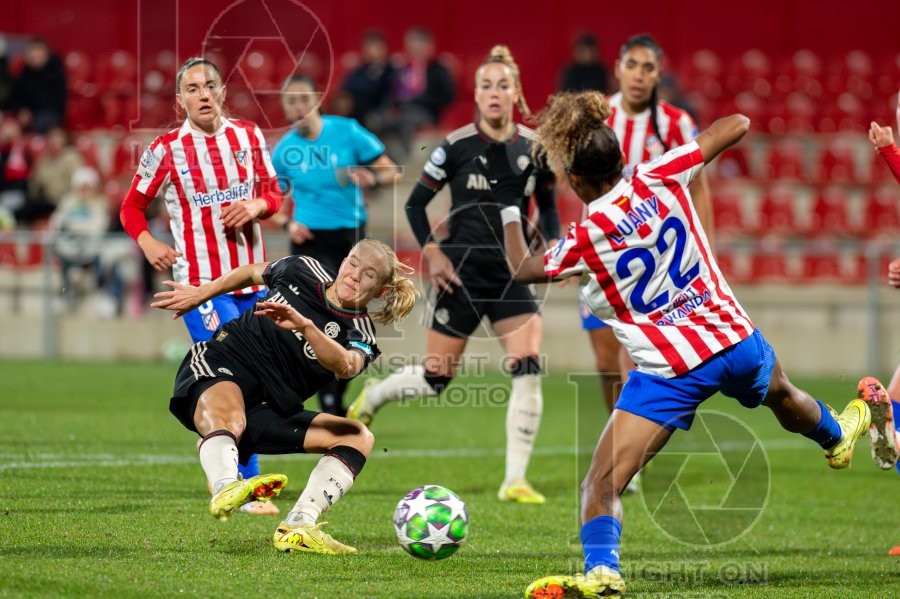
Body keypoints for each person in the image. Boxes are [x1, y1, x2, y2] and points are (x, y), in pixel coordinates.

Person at [477, 91, 873, 597]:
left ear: (574, 180)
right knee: (781, 392)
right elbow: (738, 122)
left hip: (672, 368)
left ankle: (602, 572)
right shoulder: (660, 174)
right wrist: (681, 154)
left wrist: (512, 207)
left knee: (600, 484)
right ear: (622, 159)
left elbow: (522, 269)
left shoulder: (585, 236)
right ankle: (836, 436)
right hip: (733, 338)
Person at [347, 45, 559, 504]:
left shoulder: (534, 148)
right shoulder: (456, 146)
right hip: (458, 273)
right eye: (486, 85)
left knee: (529, 366)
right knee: (437, 379)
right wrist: (433, 254)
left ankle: (515, 479)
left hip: (510, 276)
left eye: (503, 85)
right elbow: (415, 204)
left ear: (515, 92)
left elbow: (551, 206)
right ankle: (376, 396)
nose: (494, 93)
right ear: (477, 95)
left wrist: (554, 247)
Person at [150, 239, 418, 554]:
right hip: (224, 362)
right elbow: (251, 273)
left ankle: (299, 525)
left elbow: (345, 365)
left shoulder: (361, 334)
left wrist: (306, 327)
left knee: (357, 436)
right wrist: (201, 293)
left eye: (369, 274)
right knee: (230, 416)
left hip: (271, 408)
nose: (355, 275)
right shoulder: (302, 269)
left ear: (381, 291)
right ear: (344, 259)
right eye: (353, 262)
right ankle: (225, 486)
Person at [120, 57, 283, 515]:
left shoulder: (248, 137)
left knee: (260, 382)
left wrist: (255, 206)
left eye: (210, 85)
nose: (203, 94)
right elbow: (131, 207)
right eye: (193, 89)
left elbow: (273, 193)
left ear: (223, 92)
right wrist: (148, 240)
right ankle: (243, 484)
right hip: (200, 287)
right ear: (180, 101)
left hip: (252, 280)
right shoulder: (166, 149)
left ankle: (223, 461)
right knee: (230, 376)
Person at [580, 34, 714, 451]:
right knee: (605, 362)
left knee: (632, 360)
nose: (639, 75)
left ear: (659, 73)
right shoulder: (595, 116)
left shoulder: (676, 123)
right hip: (602, 252)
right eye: (632, 65)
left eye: (648, 68)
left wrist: (704, 251)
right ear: (618, 67)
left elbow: (699, 187)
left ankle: (626, 453)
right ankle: (618, 438)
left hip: (650, 260)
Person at [270, 74, 400, 416]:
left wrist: (371, 176)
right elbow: (270, 201)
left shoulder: (347, 131)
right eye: (289, 101)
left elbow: (392, 172)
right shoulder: (284, 151)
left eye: (302, 98)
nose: (296, 106)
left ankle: (335, 393)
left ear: (316, 100)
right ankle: (315, 397)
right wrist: (288, 222)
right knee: (306, 317)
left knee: (345, 320)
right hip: (308, 240)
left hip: (349, 240)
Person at [382, 26, 455, 161]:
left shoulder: (438, 69)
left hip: (426, 112)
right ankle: (381, 161)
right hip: (401, 110)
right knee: (378, 120)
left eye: (418, 46)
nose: (414, 51)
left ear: (429, 46)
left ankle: (406, 161)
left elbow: (448, 96)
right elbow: (391, 93)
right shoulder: (401, 68)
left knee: (405, 121)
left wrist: (418, 100)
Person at [339, 30, 396, 133]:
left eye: (376, 47)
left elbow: (382, 90)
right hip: (356, 112)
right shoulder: (358, 72)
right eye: (368, 47)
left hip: (379, 112)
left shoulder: (392, 70)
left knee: (374, 121)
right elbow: (347, 88)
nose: (372, 51)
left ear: (384, 48)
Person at [10, 37, 66, 133]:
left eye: (39, 51)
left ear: (47, 54)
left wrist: (32, 113)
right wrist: (22, 110)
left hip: (50, 114)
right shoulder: (24, 73)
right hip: (30, 115)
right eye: (32, 52)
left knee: (42, 121)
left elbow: (57, 102)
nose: (35, 56)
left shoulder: (55, 72)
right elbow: (17, 97)